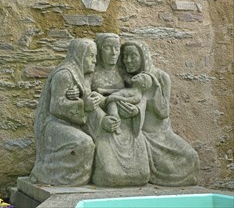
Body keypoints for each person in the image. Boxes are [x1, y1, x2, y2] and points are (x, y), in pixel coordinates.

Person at [29, 39, 118, 186]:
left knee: (97, 141)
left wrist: (103, 119)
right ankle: (47, 175)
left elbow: (90, 105)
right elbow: (56, 107)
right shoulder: (64, 75)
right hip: (53, 124)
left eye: (95, 56)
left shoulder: (83, 76)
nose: (94, 61)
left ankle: (77, 180)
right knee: (84, 143)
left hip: (72, 123)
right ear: (80, 55)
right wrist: (83, 104)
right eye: (91, 56)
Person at [120, 41, 200, 186]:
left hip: (162, 134)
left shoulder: (161, 77)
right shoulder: (125, 78)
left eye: (133, 56)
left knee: (191, 156)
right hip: (140, 134)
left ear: (143, 57)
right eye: (125, 56)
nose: (128, 60)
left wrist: (150, 91)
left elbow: (163, 112)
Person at [89, 34, 150, 187]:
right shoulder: (91, 73)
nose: (113, 52)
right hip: (106, 126)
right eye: (108, 48)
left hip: (129, 126)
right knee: (110, 173)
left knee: (142, 173)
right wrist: (103, 118)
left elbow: (139, 94)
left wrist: (136, 110)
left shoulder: (122, 73)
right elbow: (87, 101)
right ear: (99, 50)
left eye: (116, 48)